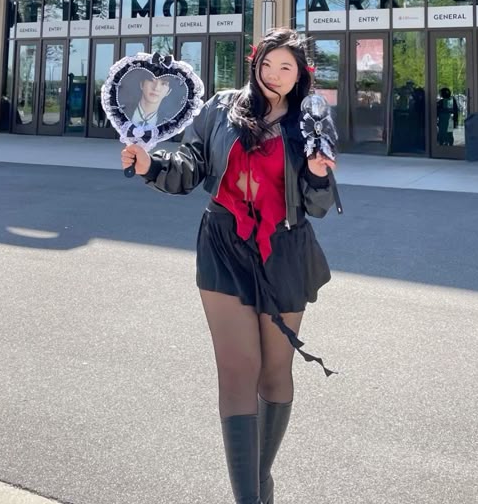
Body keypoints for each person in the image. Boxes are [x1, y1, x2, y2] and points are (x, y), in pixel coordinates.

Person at [121, 28, 341, 504]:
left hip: (284, 250)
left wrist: (319, 176)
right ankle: (248, 498)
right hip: (223, 243)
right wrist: (150, 165)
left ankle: (259, 484)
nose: (273, 75)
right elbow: (191, 162)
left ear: (301, 74)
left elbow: (318, 206)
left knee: (275, 373)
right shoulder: (222, 108)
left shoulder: (310, 118)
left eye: (285, 67)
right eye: (267, 64)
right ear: (254, 62)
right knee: (239, 369)